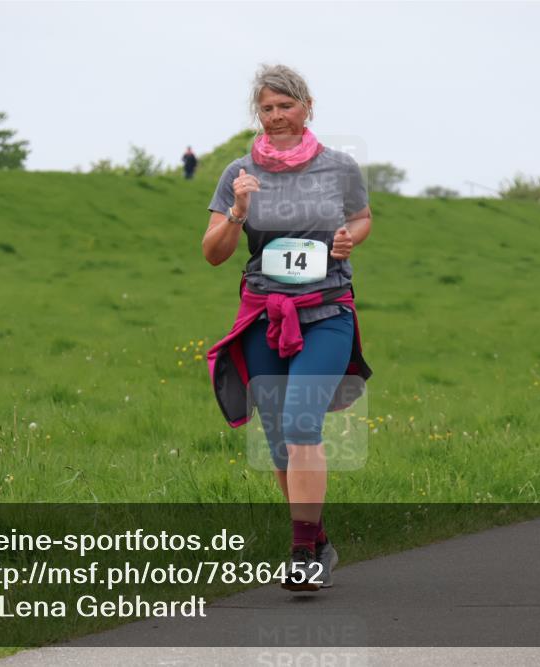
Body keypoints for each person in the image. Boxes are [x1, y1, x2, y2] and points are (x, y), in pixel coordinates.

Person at [203, 64, 373, 593]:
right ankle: (317, 539)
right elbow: (212, 254)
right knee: (279, 438)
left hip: (326, 311)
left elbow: (363, 218)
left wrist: (348, 237)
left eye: (286, 106)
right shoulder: (239, 171)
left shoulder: (339, 167)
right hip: (264, 314)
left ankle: (301, 553)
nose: (276, 117)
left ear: (307, 107)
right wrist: (238, 210)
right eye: (267, 108)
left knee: (302, 424)